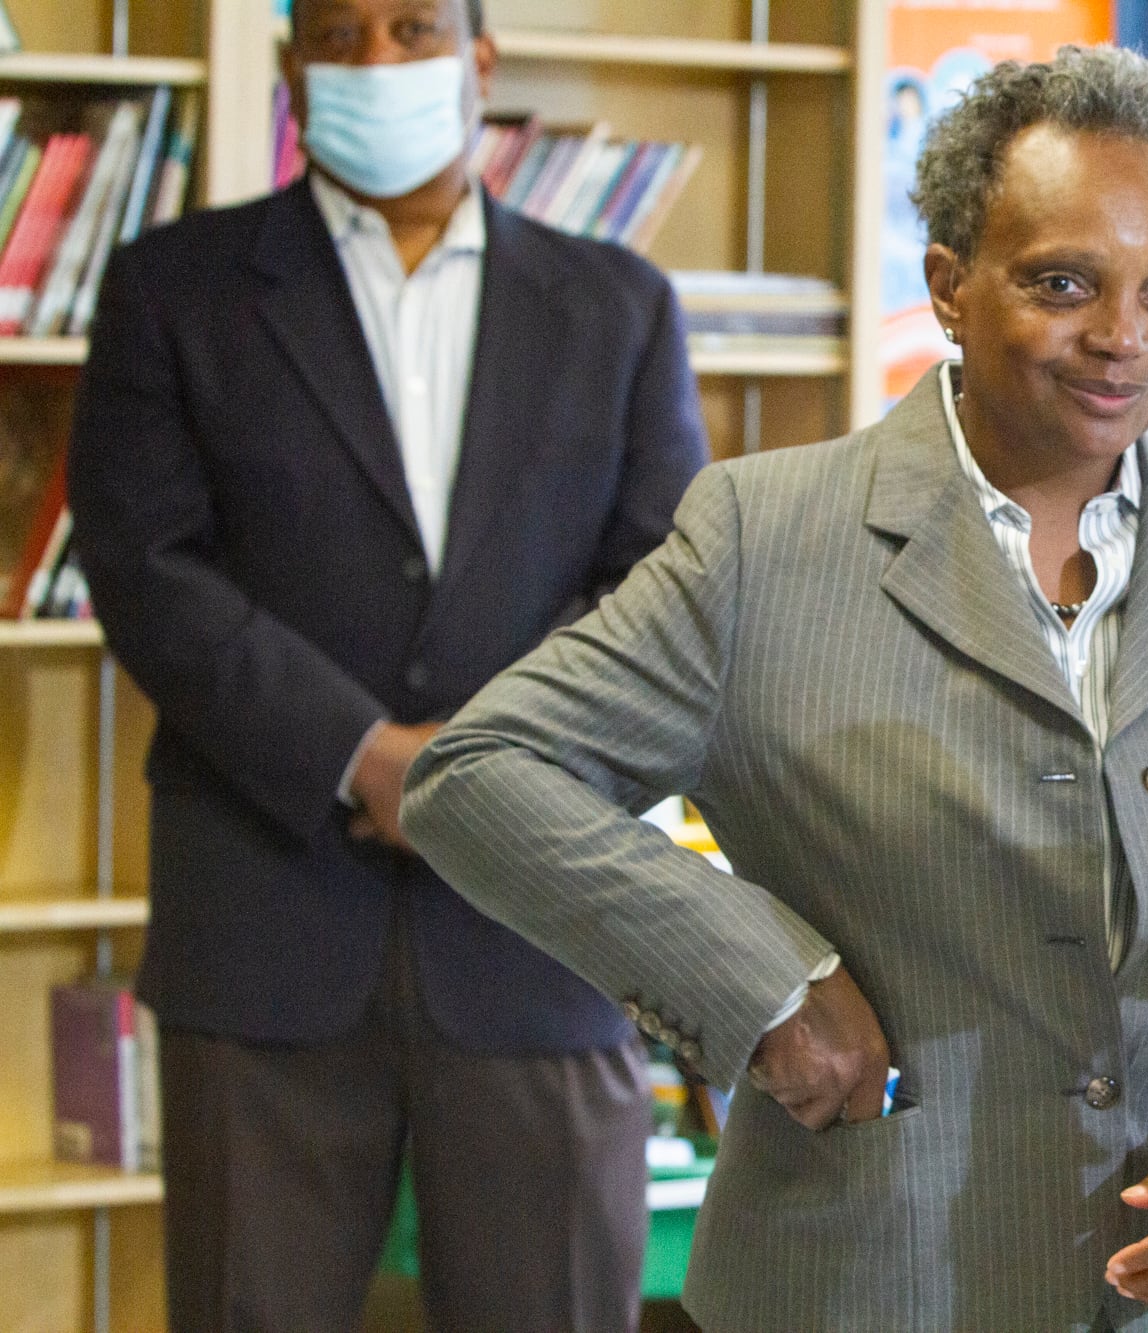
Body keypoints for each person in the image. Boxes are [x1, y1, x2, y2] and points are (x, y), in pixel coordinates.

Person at [403, 45, 1148, 1332]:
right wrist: (762, 982)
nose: (1122, 337)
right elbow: (478, 773)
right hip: (869, 1283)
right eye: (1064, 283)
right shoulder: (762, 539)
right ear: (947, 284)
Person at [65, 0, 708, 1326]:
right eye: (340, 35)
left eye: (413, 27)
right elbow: (148, 571)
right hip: (266, 927)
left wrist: (482, 774)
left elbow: (661, 589)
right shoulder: (170, 289)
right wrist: (363, 760)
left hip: (540, 927)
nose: (376, 63)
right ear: (296, 66)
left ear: (480, 59)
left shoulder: (617, 306)